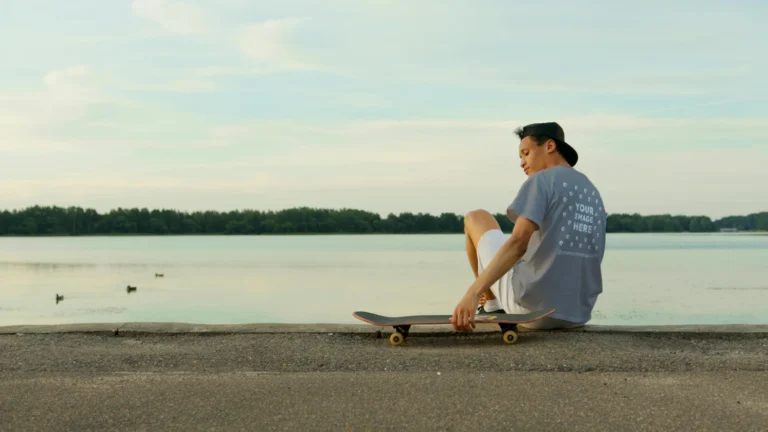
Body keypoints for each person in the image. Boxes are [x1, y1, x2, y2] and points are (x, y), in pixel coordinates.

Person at [450, 122, 607, 332]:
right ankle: (494, 303)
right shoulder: (592, 191)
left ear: (550, 146)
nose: (522, 162)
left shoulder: (542, 181)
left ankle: (491, 305)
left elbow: (518, 243)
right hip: (578, 314)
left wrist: (472, 293)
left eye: (526, 153)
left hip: (532, 311)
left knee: (476, 218)